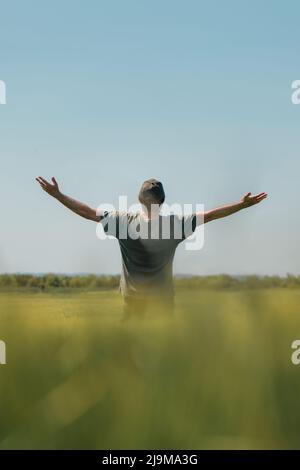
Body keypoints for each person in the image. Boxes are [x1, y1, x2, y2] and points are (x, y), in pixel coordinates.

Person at [36, 176, 267, 318]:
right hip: (163, 304)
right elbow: (210, 215)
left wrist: (58, 195)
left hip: (132, 303)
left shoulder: (123, 221)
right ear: (163, 200)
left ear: (139, 200)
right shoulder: (175, 225)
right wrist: (241, 206)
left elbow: (86, 212)